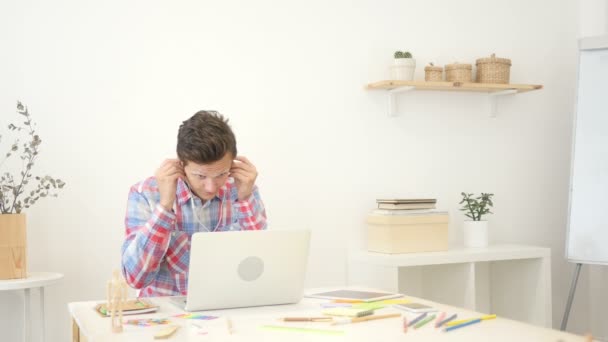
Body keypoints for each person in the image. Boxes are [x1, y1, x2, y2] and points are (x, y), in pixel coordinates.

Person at [121, 111, 267, 297]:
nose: (210, 186)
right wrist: (165, 207)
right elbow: (136, 278)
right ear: (181, 165)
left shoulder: (243, 189)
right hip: (167, 315)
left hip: (227, 306)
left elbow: (259, 265)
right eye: (200, 176)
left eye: (221, 174)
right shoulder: (145, 194)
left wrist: (245, 199)